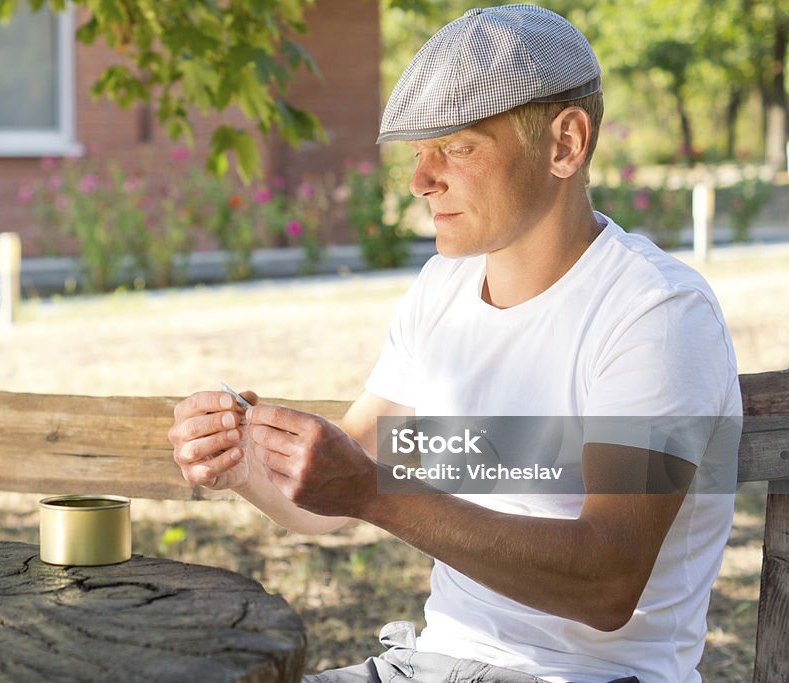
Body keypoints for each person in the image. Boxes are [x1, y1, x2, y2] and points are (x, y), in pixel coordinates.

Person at [169, 4, 740, 682]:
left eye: (458, 147)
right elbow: (336, 488)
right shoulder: (442, 290)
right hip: (426, 664)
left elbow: (607, 581)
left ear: (565, 144)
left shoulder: (656, 312)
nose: (419, 181)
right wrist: (243, 464)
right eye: (418, 154)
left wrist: (375, 494)